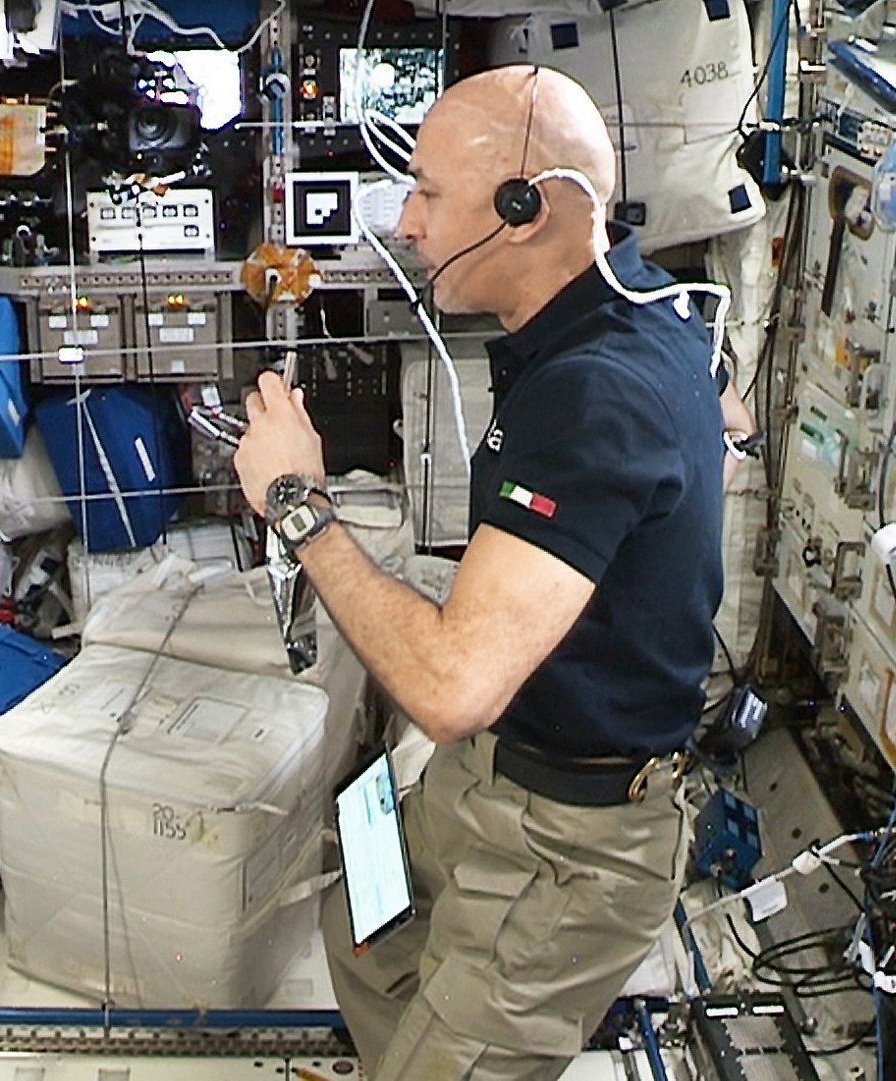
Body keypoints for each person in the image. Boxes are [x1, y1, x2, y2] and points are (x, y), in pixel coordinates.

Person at [231, 65, 756, 1081]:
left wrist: (299, 504)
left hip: (575, 841)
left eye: (429, 193)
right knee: (364, 921)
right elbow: (722, 416)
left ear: (523, 211)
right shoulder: (632, 304)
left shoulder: (594, 396)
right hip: (493, 772)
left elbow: (449, 690)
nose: (409, 223)